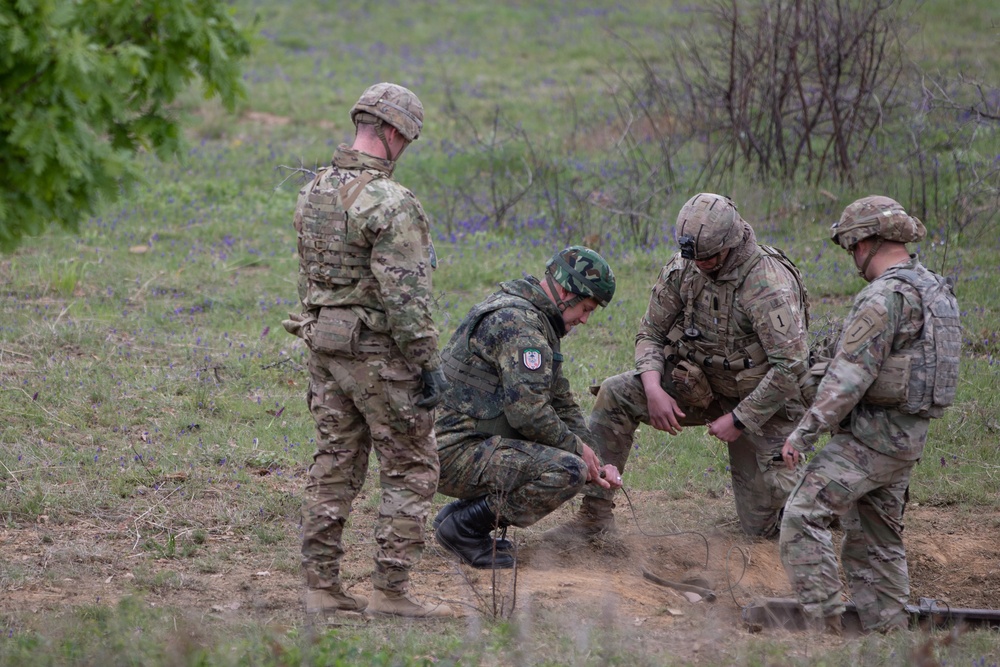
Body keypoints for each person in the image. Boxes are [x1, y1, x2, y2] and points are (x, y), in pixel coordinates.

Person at [547, 193, 812, 541]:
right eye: (693, 257)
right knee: (616, 392)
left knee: (765, 533)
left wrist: (740, 419)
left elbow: (791, 367)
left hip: (762, 401)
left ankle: (828, 499)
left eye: (708, 258)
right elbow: (650, 332)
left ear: (731, 245)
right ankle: (593, 519)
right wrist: (654, 387)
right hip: (698, 385)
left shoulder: (766, 284)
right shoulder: (685, 266)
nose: (698, 264)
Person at [283, 82, 453, 618]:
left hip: (324, 345)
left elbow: (313, 274)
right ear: (393, 132)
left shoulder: (313, 190)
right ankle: (391, 591)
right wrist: (427, 363)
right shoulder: (391, 202)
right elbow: (407, 296)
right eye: (406, 137)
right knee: (411, 467)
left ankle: (319, 585)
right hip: (379, 354)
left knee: (335, 462)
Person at [779, 196, 960, 635]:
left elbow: (847, 378)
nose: (852, 257)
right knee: (874, 541)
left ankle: (822, 629)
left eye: (851, 246)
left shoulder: (883, 296)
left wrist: (802, 434)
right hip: (908, 441)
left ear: (865, 241)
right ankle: (889, 636)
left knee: (803, 516)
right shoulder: (936, 289)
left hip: (870, 439)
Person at [432, 246, 623, 568]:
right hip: (449, 452)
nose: (586, 320)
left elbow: (560, 401)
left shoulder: (535, 319)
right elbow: (528, 413)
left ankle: (460, 516)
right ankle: (464, 529)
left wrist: (596, 458)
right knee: (566, 469)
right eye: (586, 308)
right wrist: (579, 454)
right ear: (565, 292)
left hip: (460, 443)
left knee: (574, 458)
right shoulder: (521, 326)